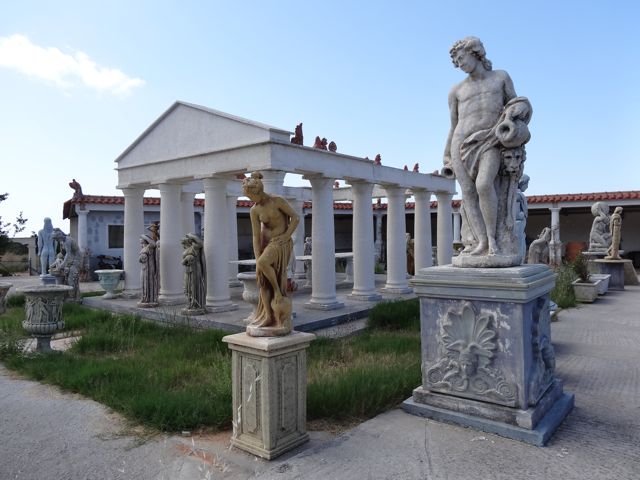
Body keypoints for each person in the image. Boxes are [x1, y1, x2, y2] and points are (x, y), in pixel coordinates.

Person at [443, 37, 531, 258]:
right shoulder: (456, 91)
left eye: (461, 58)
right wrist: (446, 155)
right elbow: (453, 125)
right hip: (460, 143)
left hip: (490, 140)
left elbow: (515, 104)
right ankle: (481, 242)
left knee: (484, 184)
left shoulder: (500, 77)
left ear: (475, 53)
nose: (459, 64)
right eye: (456, 61)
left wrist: (520, 110)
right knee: (469, 193)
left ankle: (493, 239)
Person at [242, 172, 300, 335]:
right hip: (266, 245)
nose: (251, 201)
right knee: (262, 280)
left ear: (258, 191)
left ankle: (277, 293)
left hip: (281, 243)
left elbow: (295, 218)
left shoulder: (277, 201)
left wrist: (286, 236)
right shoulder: (254, 210)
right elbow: (255, 236)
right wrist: (257, 256)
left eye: (251, 196)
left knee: (263, 265)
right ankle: (268, 316)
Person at [51, 228, 82, 301]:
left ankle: (73, 296)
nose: (56, 240)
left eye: (56, 239)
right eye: (55, 239)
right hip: (70, 260)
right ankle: (65, 295)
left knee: (71, 277)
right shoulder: (62, 242)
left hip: (76, 260)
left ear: (60, 236)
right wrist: (55, 262)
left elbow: (68, 254)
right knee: (65, 277)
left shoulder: (68, 240)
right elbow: (62, 254)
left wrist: (62, 265)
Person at [181, 233, 206, 314]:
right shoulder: (187, 250)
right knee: (187, 287)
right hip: (188, 270)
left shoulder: (194, 248)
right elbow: (183, 262)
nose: (183, 246)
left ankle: (195, 304)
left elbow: (200, 243)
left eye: (183, 243)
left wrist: (190, 235)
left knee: (193, 287)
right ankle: (190, 303)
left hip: (194, 269)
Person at [138, 234, 159, 307]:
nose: (141, 244)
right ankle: (144, 297)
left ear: (145, 241)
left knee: (148, 282)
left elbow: (153, 243)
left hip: (149, 268)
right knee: (143, 282)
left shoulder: (149, 247)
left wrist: (144, 236)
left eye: (142, 242)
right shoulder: (144, 248)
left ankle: (149, 298)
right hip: (144, 268)